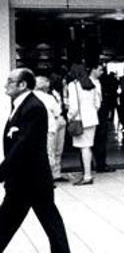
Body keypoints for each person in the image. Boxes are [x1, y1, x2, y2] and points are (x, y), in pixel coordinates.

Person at [0, 68, 71, 253]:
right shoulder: (21, 105)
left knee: (49, 223)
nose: (5, 84)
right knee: (48, 223)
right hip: (27, 179)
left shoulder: (33, 107)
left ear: (23, 85)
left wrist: (1, 172)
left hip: (31, 180)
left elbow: (22, 146)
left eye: (10, 81)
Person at [67, 64, 102, 186]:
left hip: (80, 120)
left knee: (84, 148)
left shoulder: (73, 85)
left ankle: (87, 176)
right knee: (88, 147)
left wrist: (69, 117)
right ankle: (87, 174)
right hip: (92, 119)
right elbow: (98, 103)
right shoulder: (92, 84)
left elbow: (74, 107)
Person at [32, 77, 62, 183]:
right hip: (49, 129)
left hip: (33, 131)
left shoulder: (29, 97)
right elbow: (57, 112)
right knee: (49, 153)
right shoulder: (49, 98)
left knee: (36, 153)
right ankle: (48, 178)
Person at [93, 67, 116, 173]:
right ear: (93, 70)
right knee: (89, 140)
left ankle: (101, 164)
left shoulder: (102, 81)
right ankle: (88, 164)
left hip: (102, 112)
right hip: (92, 112)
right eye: (100, 70)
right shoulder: (86, 82)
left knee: (102, 138)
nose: (102, 72)